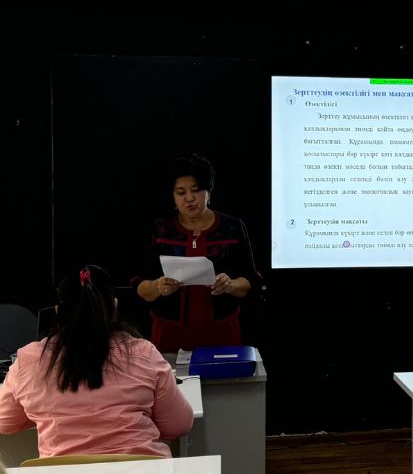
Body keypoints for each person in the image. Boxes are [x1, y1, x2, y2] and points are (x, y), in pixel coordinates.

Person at [0, 265, 193, 457]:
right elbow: (178, 425)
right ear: (114, 306)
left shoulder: (29, 359)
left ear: (58, 310)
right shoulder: (144, 353)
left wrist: (47, 411)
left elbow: (5, 422)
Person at [134, 153, 258, 352]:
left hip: (221, 331)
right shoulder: (160, 229)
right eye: (181, 192)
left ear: (209, 192)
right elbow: (140, 286)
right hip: (169, 333)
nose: (189, 198)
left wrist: (230, 285)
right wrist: (158, 286)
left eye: (196, 190)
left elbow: (250, 281)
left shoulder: (232, 227)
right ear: (173, 196)